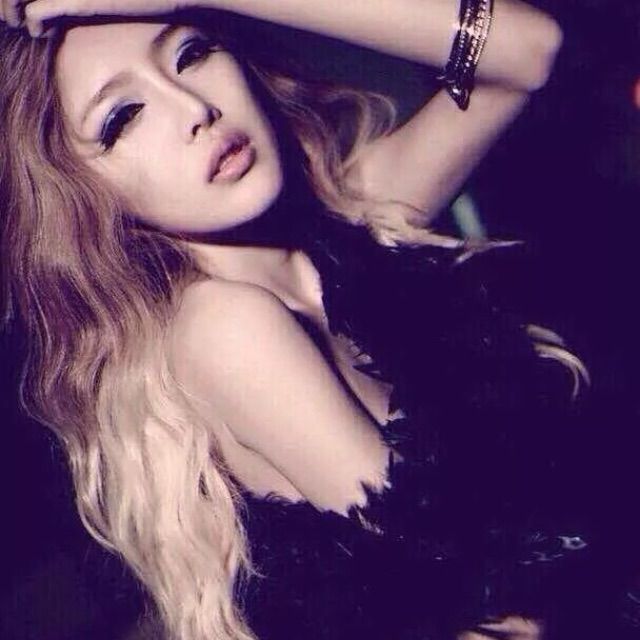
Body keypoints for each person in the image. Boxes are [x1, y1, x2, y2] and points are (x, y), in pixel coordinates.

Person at [0, 1, 585, 639]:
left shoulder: (353, 225)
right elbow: (479, 600)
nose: (195, 109)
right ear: (80, 196)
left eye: (191, 53)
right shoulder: (222, 327)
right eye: (122, 117)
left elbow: (529, 51)